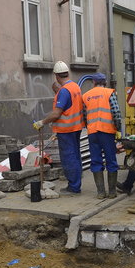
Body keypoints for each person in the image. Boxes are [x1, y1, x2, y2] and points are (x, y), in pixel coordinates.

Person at [33, 61, 84, 195]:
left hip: (66, 130)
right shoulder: (75, 87)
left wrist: (42, 122)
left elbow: (57, 113)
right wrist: (58, 92)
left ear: (56, 76)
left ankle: (73, 187)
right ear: (67, 73)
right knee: (75, 156)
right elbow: (71, 104)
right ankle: (76, 183)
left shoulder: (64, 91)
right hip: (76, 127)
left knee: (69, 157)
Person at [82, 72, 122, 199]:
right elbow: (116, 112)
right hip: (107, 131)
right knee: (111, 159)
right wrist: (118, 128)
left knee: (96, 160)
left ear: (93, 82)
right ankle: (112, 192)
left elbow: (84, 115)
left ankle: (100, 192)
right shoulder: (110, 93)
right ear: (105, 82)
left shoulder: (86, 95)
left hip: (93, 133)